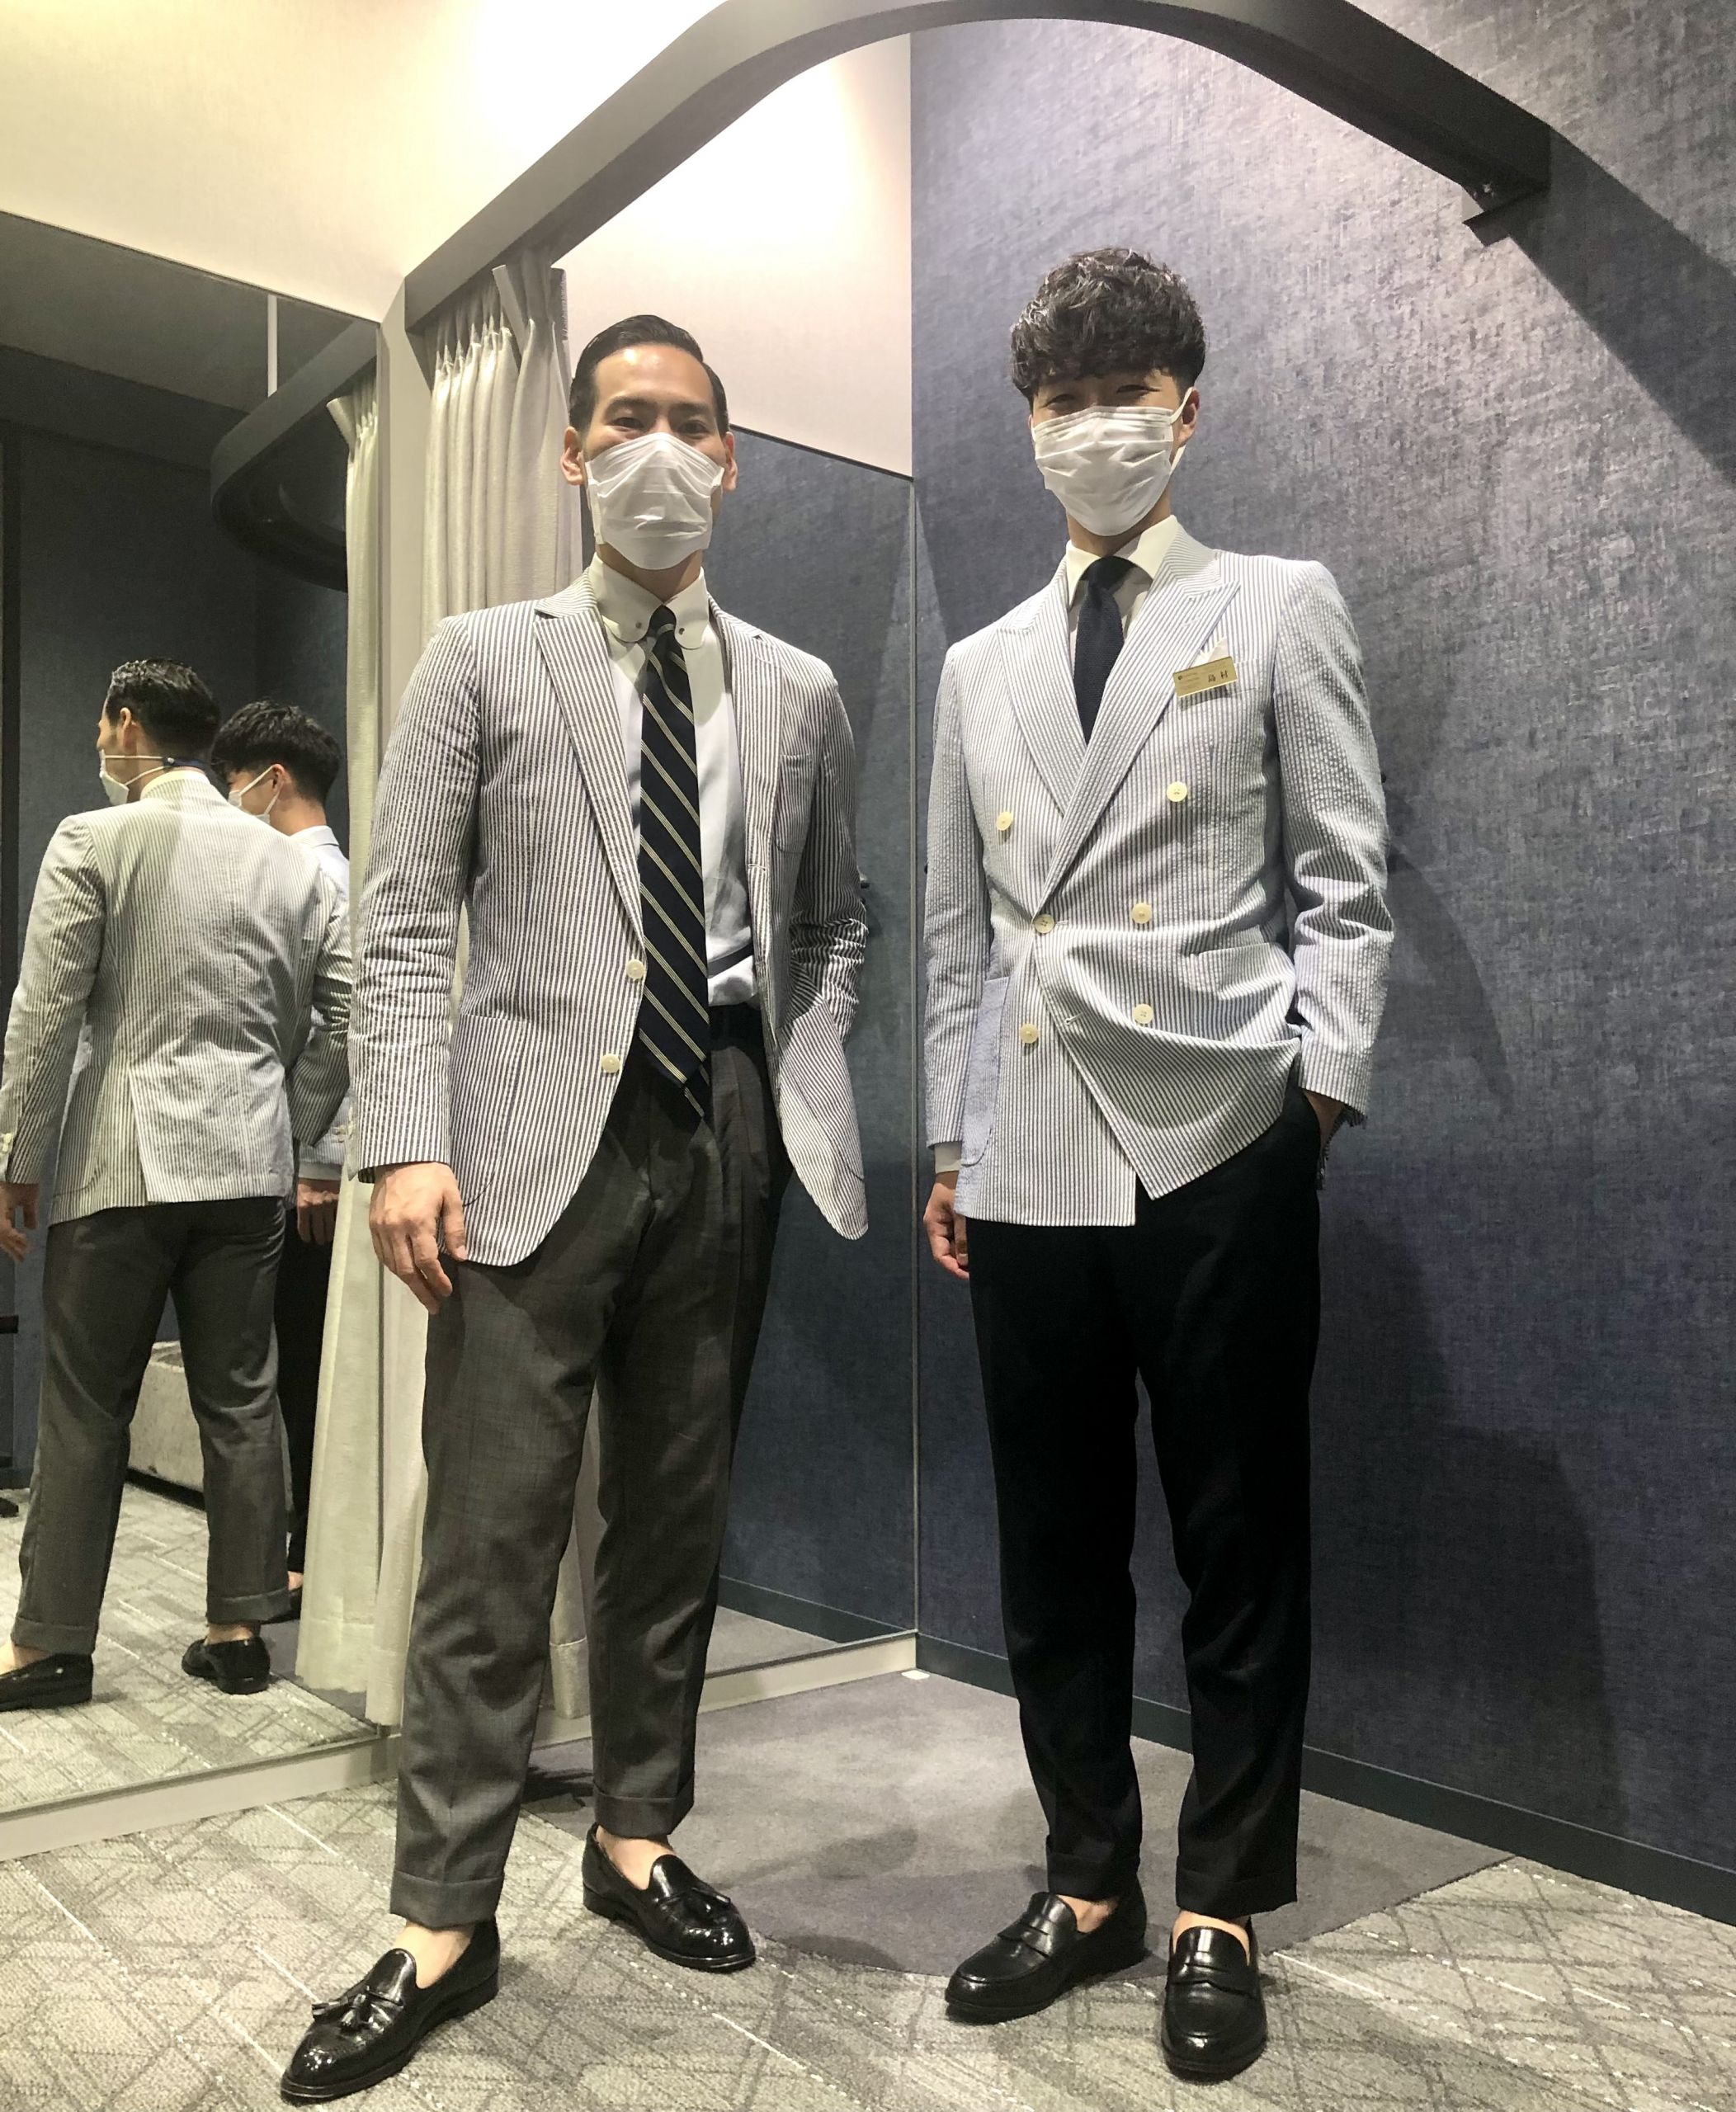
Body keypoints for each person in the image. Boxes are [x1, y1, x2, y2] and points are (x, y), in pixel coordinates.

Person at [284, 315, 867, 2101]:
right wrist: (402, 1140)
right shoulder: (482, 657)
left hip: (722, 1134)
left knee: (673, 1524)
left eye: (689, 422)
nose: (657, 449)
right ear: (569, 451)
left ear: (731, 458)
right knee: (490, 1540)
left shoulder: (799, 688)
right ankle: (439, 1918)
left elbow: (835, 919)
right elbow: (400, 920)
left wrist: (799, 1076)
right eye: (625, 418)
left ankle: (634, 1836)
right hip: (522, 1149)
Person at [921, 249, 1391, 2082]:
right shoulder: (975, 664)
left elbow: (1344, 873)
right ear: (1029, 424)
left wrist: (1313, 1096)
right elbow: (960, 929)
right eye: (1063, 398)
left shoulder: (1273, 603)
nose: (1093, 423)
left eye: (1125, 390)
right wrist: (952, 1132)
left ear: (1182, 410)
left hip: (1213, 1131)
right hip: (1029, 1140)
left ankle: (1220, 1904)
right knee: (1051, 1545)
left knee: (1233, 1533)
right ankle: (1086, 1879)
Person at [0, 660, 351, 1710]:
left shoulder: (92, 839)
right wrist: (286, 1121)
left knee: (84, 1407)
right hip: (249, 1170)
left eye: (101, 724)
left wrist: (16, 1159)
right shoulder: (293, 865)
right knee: (242, 1401)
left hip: (123, 1163)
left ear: (125, 724)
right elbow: (351, 1015)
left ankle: (51, 1645)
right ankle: (239, 1634)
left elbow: (46, 1014)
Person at [211, 700, 351, 1612]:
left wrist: (315, 1157)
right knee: (291, 1354)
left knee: (305, 1360)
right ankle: (303, 1545)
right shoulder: (301, 872)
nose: (229, 800)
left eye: (234, 782)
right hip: (295, 1157)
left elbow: (347, 1026)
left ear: (274, 780)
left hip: (313, 1164)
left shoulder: (316, 876)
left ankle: (308, 1552)